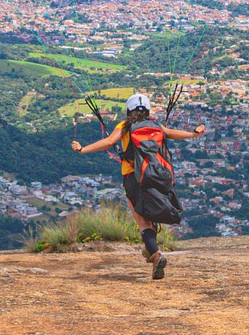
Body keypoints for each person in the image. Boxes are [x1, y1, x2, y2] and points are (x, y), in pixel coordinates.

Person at [72, 91, 204, 279]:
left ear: (129, 110)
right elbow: (171, 134)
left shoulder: (125, 126)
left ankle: (156, 256)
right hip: (155, 175)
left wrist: (83, 149)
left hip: (133, 177)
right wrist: (193, 134)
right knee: (149, 217)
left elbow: (109, 142)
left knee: (142, 220)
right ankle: (151, 252)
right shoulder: (155, 125)